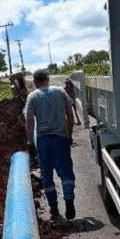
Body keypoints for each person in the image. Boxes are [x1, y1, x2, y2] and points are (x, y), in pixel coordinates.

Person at [24, 69, 76, 222]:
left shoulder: (32, 97)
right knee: (66, 172)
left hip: (43, 141)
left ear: (34, 82)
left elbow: (29, 121)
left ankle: (54, 209)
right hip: (60, 138)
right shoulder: (60, 91)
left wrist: (30, 142)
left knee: (47, 174)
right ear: (48, 79)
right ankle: (69, 200)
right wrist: (69, 134)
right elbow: (70, 115)